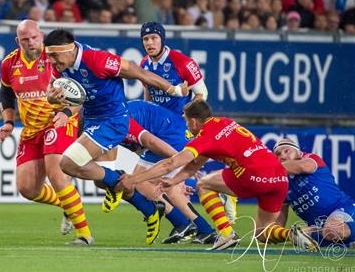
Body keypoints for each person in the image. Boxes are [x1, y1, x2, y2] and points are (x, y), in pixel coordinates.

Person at [43, 28, 189, 244]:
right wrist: (53, 99)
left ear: (70, 49)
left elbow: (140, 72)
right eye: (49, 57)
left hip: (114, 120)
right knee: (98, 179)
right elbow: (62, 99)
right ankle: (149, 210)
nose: (52, 61)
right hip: (93, 120)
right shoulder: (61, 67)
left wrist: (173, 89)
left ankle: (118, 179)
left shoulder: (98, 60)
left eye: (55, 56)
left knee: (67, 163)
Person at [116, 100, 320, 252]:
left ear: (194, 122)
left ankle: (225, 233)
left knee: (204, 184)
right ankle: (292, 234)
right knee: (262, 233)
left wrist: (133, 179)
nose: (187, 127)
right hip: (279, 178)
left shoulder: (205, 136)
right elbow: (193, 165)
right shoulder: (224, 123)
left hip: (253, 174)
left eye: (187, 123)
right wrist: (173, 181)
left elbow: (172, 162)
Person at [0, 20, 93, 245]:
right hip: (31, 129)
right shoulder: (9, 63)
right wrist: (8, 122)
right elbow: (5, 93)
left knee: (56, 173)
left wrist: (67, 112)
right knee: (27, 188)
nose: (31, 43)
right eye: (25, 39)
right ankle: (67, 203)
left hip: (58, 121)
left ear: (41, 35)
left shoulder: (55, 58)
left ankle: (85, 235)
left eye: (34, 37)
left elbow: (80, 93)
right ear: (17, 41)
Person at [139, 21, 237, 222]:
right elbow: (148, 91)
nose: (150, 43)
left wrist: (187, 118)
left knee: (153, 175)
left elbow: (202, 93)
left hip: (179, 124)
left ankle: (194, 221)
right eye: (145, 39)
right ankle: (211, 203)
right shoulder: (144, 64)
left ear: (162, 39)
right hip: (159, 126)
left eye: (154, 38)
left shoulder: (181, 61)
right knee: (173, 173)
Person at [103, 100, 217, 244]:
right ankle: (205, 230)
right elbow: (140, 146)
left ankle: (183, 224)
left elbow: (152, 143)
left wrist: (182, 164)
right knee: (172, 190)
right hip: (176, 132)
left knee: (141, 182)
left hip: (168, 137)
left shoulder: (119, 121)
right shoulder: (117, 116)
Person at [273, 138, 355, 248]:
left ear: (298, 151)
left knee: (329, 230)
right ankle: (348, 241)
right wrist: (271, 233)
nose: (282, 156)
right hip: (319, 227)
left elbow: (300, 167)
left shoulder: (311, 159)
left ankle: (340, 237)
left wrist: (265, 168)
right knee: (299, 236)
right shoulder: (282, 183)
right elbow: (279, 220)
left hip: (344, 209)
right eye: (277, 155)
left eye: (287, 151)